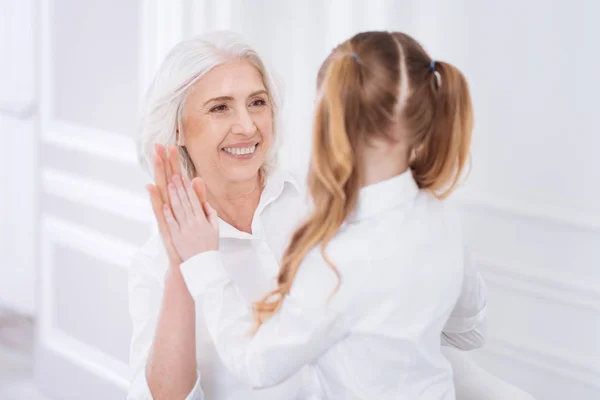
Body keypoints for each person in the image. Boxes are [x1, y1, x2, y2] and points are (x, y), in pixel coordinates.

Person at [154, 30, 484, 399]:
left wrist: (201, 262)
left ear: (331, 122)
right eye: (220, 107)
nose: (247, 126)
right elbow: (470, 330)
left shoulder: (339, 258)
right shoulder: (441, 217)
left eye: (258, 103)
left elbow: (256, 365)